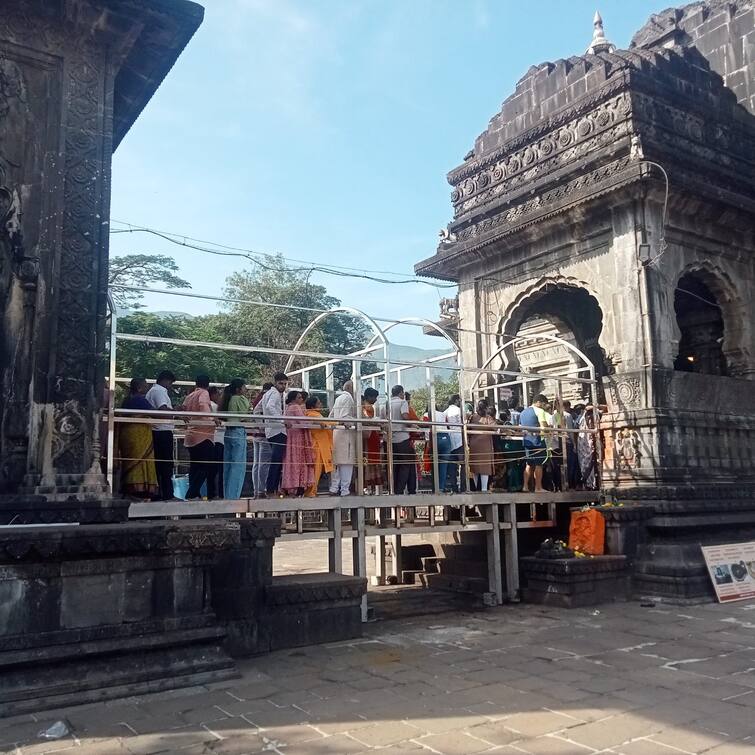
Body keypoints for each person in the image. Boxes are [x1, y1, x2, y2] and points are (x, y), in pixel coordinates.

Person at [119, 378, 158, 500]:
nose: (147, 388)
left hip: (127, 434)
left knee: (131, 460)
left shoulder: (127, 400)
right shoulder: (139, 400)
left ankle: (131, 489)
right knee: (140, 460)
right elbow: (154, 413)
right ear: (139, 388)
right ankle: (138, 490)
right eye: (145, 386)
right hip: (138, 434)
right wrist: (174, 413)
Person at [182, 375, 215, 500]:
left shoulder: (190, 395)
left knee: (195, 466)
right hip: (203, 436)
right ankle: (191, 493)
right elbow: (203, 405)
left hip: (191, 435)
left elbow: (184, 409)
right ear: (207, 384)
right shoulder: (204, 393)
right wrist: (212, 419)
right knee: (205, 466)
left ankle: (194, 493)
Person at [145, 370, 176, 500]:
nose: (170, 385)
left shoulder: (156, 391)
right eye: (170, 383)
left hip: (160, 431)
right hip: (161, 431)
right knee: (165, 465)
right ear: (165, 380)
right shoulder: (158, 391)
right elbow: (162, 410)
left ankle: (161, 494)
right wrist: (177, 412)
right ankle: (166, 494)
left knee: (162, 465)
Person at [221, 379, 250, 499]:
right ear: (239, 389)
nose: (245, 389)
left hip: (228, 432)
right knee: (238, 466)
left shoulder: (228, 399)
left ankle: (227, 494)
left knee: (228, 466)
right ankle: (233, 496)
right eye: (244, 387)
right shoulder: (239, 399)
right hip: (238, 431)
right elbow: (244, 415)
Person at [282, 390, 314, 496]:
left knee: (291, 461)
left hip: (291, 438)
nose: (301, 399)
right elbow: (303, 422)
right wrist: (313, 421)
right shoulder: (295, 407)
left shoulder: (288, 408)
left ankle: (291, 486)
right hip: (298, 438)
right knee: (299, 461)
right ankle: (298, 485)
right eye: (299, 397)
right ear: (294, 399)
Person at [261, 372, 288, 496]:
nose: (283, 386)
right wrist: (282, 420)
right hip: (278, 430)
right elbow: (270, 407)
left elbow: (257, 410)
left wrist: (262, 425)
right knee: (276, 461)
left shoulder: (267, 393)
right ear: (275, 382)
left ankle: (272, 488)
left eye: (284, 384)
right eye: (281, 383)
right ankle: (271, 488)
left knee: (276, 460)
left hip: (270, 430)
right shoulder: (275, 394)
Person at [329, 380, 356, 496]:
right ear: (350, 388)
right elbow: (345, 417)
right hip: (346, 433)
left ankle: (334, 488)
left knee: (337, 462)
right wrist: (354, 422)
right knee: (346, 462)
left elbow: (331, 416)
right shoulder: (348, 398)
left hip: (336, 433)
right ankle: (345, 490)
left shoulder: (338, 398)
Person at [519, 394, 550, 493]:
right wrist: (549, 430)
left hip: (527, 441)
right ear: (539, 402)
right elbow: (543, 427)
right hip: (537, 441)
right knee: (538, 464)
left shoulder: (523, 412)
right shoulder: (540, 411)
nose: (544, 407)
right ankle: (538, 487)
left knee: (529, 464)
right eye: (544, 404)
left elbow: (520, 427)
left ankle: (525, 486)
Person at [304, 395, 333, 497]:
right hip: (317, 446)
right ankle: (311, 491)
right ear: (312, 406)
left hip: (319, 445)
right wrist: (340, 422)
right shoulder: (313, 415)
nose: (321, 405)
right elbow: (327, 423)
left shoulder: (312, 414)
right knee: (316, 470)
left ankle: (312, 490)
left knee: (317, 470)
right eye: (319, 403)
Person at [250, 382, 273, 499]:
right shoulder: (267, 397)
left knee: (257, 464)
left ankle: (256, 489)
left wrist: (258, 426)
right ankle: (261, 490)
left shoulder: (257, 398)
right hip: (264, 434)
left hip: (256, 434)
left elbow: (255, 412)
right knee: (264, 464)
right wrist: (263, 427)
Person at [468, 400, 496, 492]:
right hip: (485, 446)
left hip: (474, 445)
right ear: (486, 408)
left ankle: (476, 488)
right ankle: (484, 489)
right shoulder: (488, 418)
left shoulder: (472, 417)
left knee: (475, 467)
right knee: (485, 468)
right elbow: (496, 427)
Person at [362, 387, 383, 493]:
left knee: (371, 459)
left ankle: (370, 485)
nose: (375, 400)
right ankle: (368, 486)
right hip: (369, 435)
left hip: (372, 435)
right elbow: (366, 420)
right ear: (369, 397)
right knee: (368, 458)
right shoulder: (365, 406)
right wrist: (375, 421)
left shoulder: (367, 406)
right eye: (374, 397)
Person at [445, 394, 466, 493]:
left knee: (452, 467)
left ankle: (454, 488)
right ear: (456, 400)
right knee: (463, 464)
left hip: (450, 440)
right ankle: (463, 487)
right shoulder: (459, 410)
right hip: (460, 439)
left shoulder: (445, 412)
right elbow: (464, 423)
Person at [207, 386, 224, 500]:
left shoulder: (209, 406)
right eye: (218, 394)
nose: (219, 397)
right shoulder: (214, 407)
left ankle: (211, 493)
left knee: (211, 470)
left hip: (212, 440)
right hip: (218, 440)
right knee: (218, 470)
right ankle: (219, 493)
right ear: (213, 395)